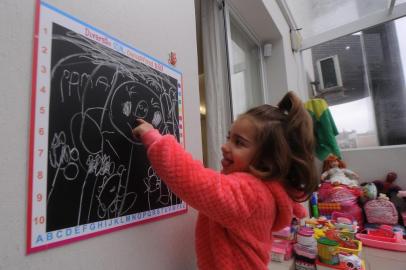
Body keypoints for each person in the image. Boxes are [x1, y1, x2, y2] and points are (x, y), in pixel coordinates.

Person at [132, 91, 318, 270]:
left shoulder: (254, 194)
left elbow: (196, 182)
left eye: (239, 142)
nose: (224, 146)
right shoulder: (259, 191)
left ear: (267, 160)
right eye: (229, 138)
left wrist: (156, 140)